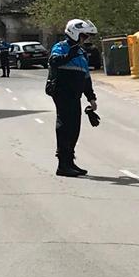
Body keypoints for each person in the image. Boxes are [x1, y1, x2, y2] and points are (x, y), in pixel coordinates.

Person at [48, 19, 98, 177]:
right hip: (62, 92)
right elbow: (54, 61)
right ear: (74, 34)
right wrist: (70, 54)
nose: (85, 40)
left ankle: (70, 161)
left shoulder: (82, 53)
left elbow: (86, 77)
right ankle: (62, 164)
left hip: (75, 95)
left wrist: (91, 98)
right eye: (83, 37)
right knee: (64, 126)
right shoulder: (61, 47)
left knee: (74, 128)